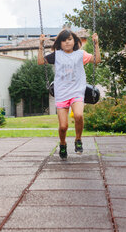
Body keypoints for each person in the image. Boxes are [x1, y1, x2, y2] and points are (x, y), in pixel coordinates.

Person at [38, 29, 100, 159]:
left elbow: (96, 60)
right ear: (59, 43)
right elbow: (40, 61)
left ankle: (78, 140)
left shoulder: (80, 54)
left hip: (77, 91)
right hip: (61, 93)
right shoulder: (57, 55)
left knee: (78, 115)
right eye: (64, 40)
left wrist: (96, 44)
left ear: (74, 41)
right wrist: (40, 45)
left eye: (69, 39)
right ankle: (62, 143)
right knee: (63, 126)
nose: (67, 42)